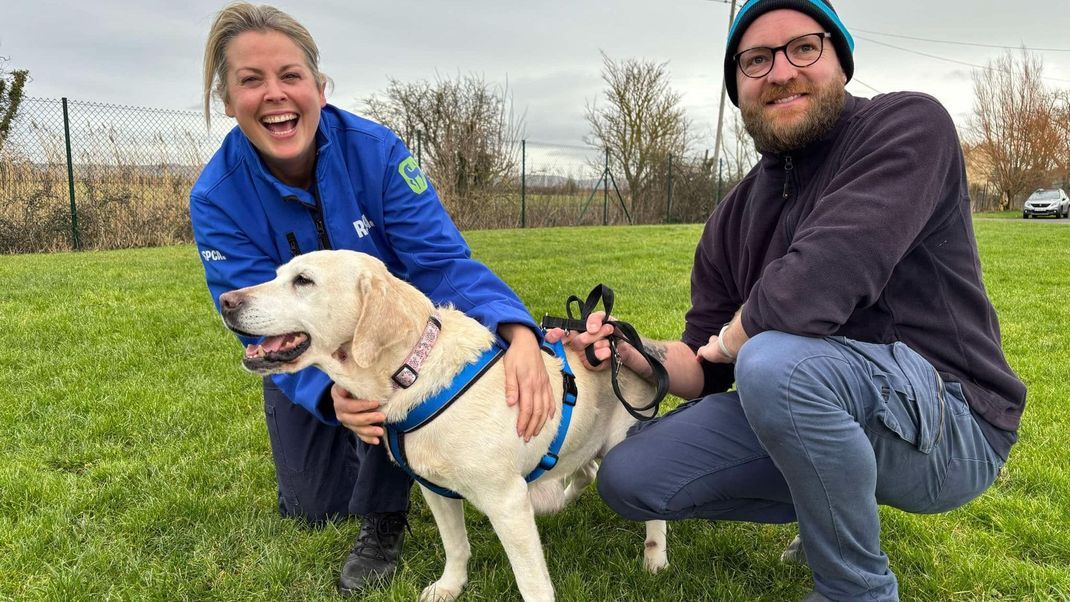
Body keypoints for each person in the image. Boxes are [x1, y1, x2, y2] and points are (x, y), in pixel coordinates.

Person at [547, 1, 1026, 600]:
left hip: (954, 423)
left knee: (776, 362)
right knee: (632, 474)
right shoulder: (731, 218)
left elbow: (816, 284)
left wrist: (731, 341)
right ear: (738, 87)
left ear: (840, 60)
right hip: (814, 400)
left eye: (803, 47)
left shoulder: (907, 126)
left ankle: (855, 588)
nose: (779, 72)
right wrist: (634, 351)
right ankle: (830, 496)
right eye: (755, 60)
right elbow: (704, 363)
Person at [190, 3, 554, 594]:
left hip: (400, 341)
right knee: (315, 504)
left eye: (291, 75)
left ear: (319, 85)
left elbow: (440, 260)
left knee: (399, 397)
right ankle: (382, 450)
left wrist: (515, 330)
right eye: (250, 81)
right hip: (310, 353)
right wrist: (326, 396)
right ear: (227, 100)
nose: (275, 95)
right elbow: (255, 317)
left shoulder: (376, 151)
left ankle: (387, 514)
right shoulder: (216, 197)